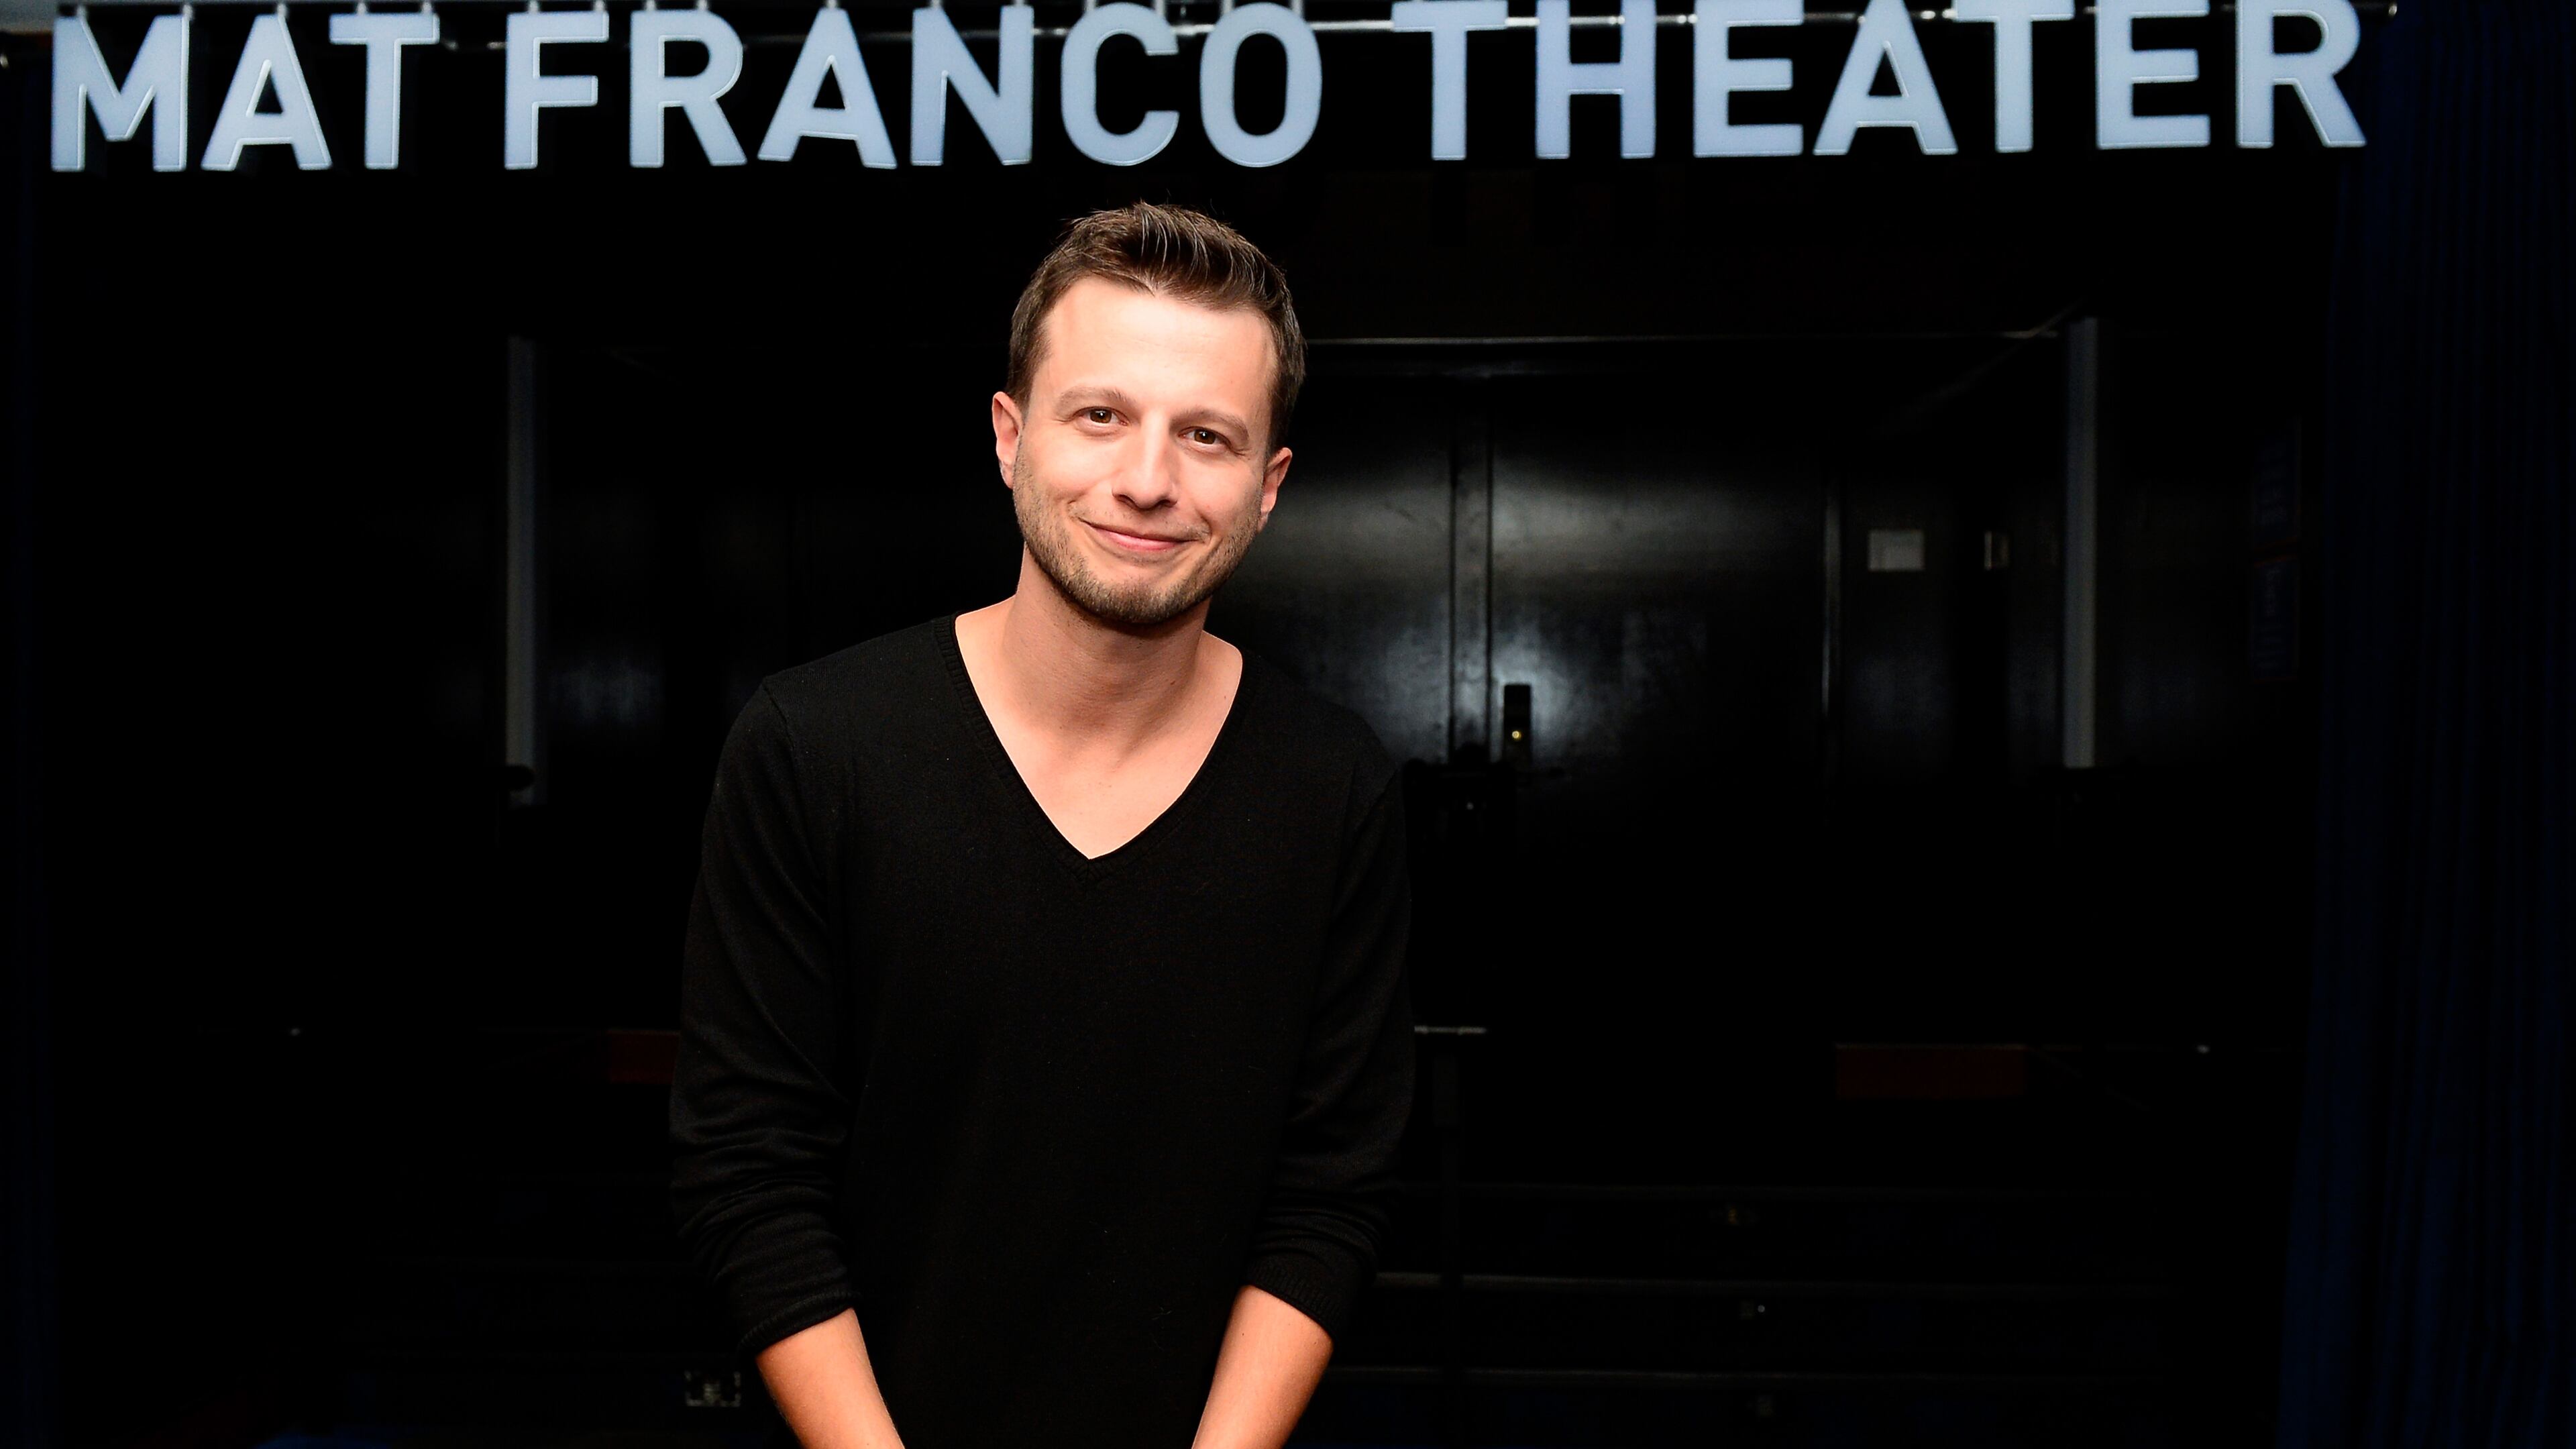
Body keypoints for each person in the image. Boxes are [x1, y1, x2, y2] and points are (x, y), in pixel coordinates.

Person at [667, 201, 1418, 1449]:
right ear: (1011, 437)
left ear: (1268, 486)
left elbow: (1332, 1193)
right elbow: (747, 1171)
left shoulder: (1332, 788)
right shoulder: (816, 746)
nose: (1148, 478)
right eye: (1101, 415)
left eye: (1208, 435)